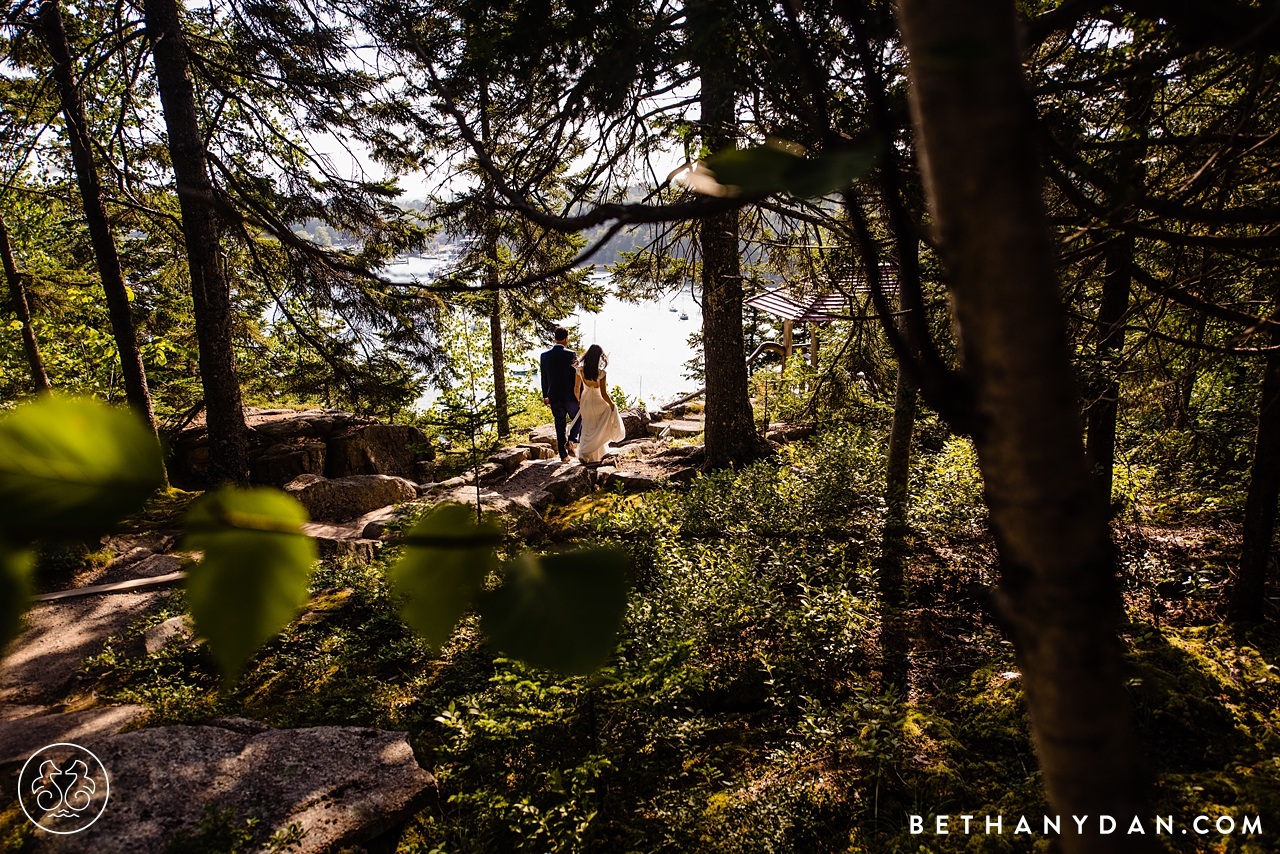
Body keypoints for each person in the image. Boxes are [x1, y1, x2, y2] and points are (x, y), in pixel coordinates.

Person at [573, 344, 626, 463]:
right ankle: (595, 453)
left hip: (586, 400)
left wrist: (579, 401)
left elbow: (576, 388)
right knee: (599, 427)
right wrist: (612, 405)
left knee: (586, 426)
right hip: (598, 402)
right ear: (599, 358)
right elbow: (603, 394)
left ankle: (583, 453)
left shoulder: (580, 370)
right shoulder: (601, 373)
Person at [540, 327, 581, 461]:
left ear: (555, 338)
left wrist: (545, 395)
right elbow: (575, 376)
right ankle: (572, 440)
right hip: (570, 396)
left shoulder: (544, 356)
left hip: (554, 396)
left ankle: (563, 455)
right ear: (566, 339)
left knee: (559, 424)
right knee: (579, 417)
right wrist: (579, 395)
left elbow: (544, 377)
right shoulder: (571, 354)